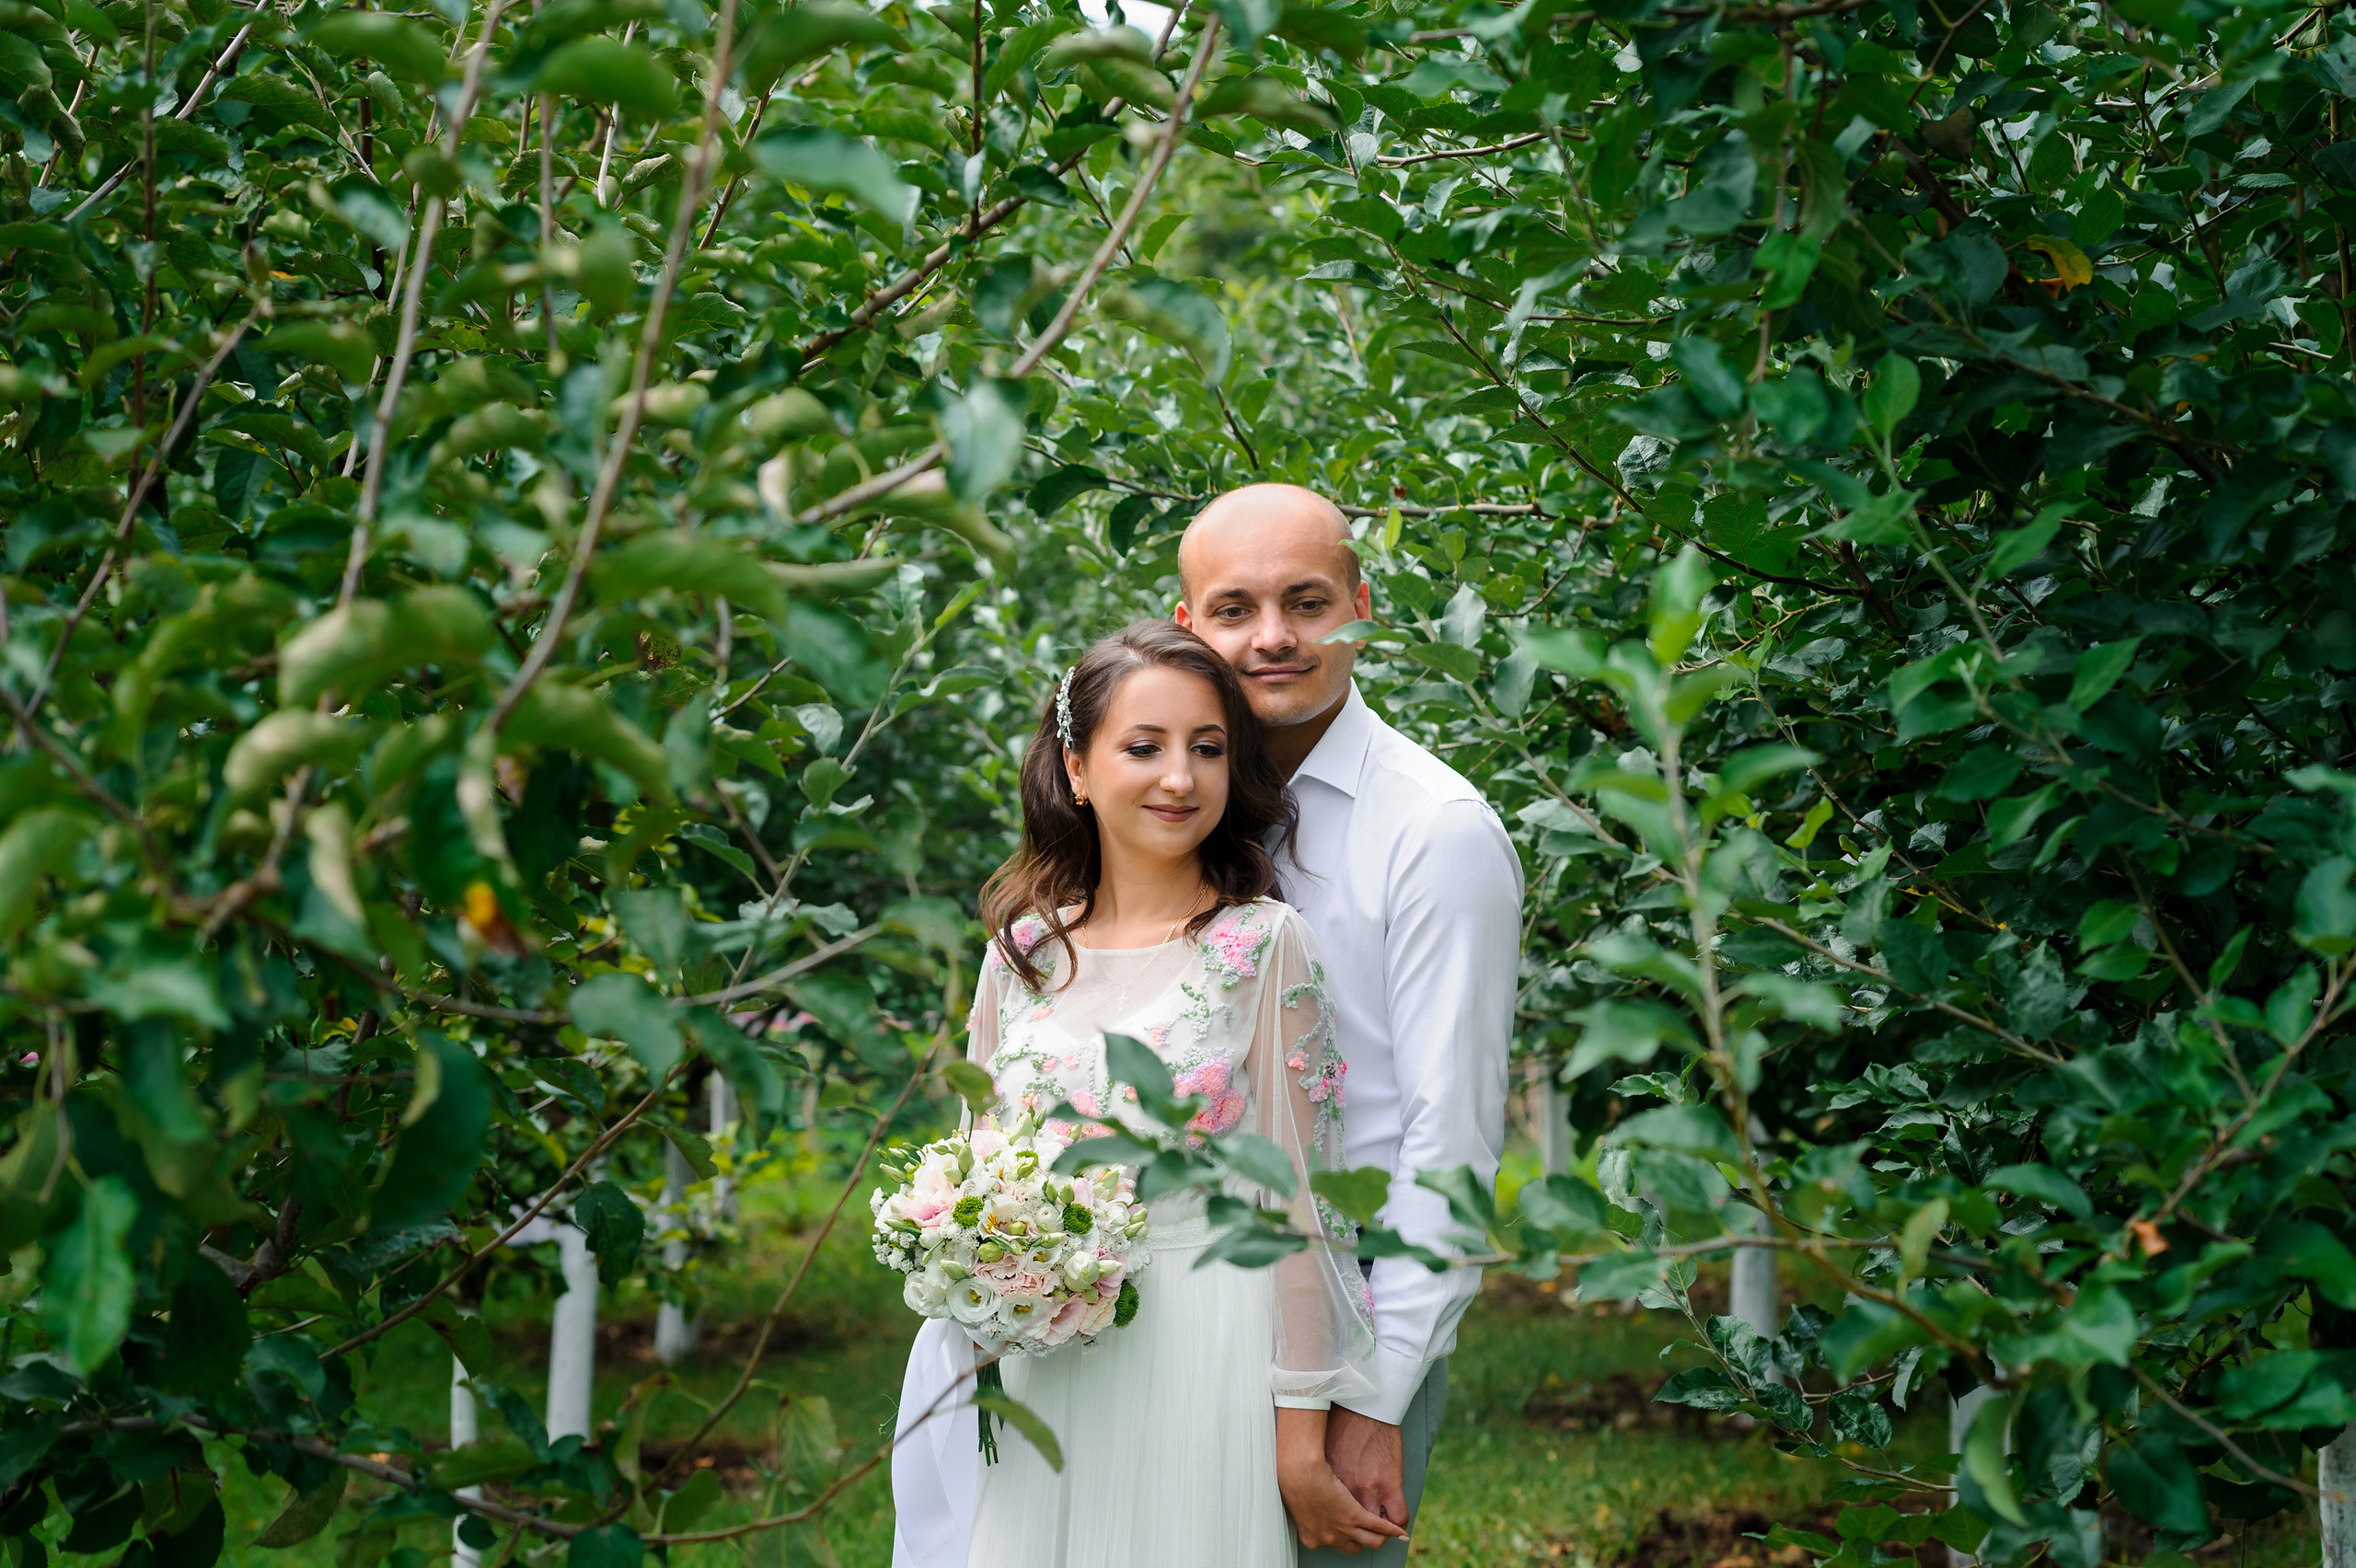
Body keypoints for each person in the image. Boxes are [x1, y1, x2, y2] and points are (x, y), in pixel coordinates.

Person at [895, 621, 1403, 1568]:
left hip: (1210, 1347)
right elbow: (974, 1170)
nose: (1180, 777)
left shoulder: (1261, 943)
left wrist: (1299, 1436)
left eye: (1207, 749)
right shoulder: (1020, 956)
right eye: (1144, 747)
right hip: (1043, 1359)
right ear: (1077, 768)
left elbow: (1302, 1205)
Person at [1174, 484, 1523, 1564]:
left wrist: (1376, 1395)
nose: (1272, 637)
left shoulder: (1434, 830)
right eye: (1235, 609)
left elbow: (1448, 1138)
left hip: (1354, 1295)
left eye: (1307, 601)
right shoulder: (1165, 808)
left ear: (1361, 609)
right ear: (1188, 628)